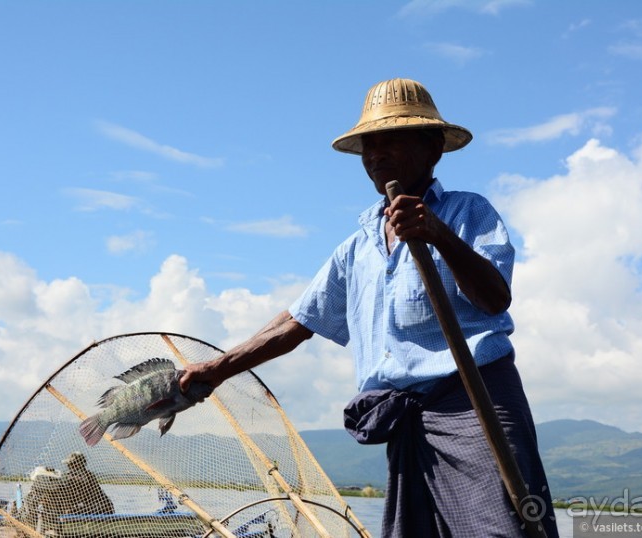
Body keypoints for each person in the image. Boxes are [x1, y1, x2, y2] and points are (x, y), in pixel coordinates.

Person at [180, 78, 558, 537]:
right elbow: (298, 321)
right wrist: (219, 368)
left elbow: (495, 298)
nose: (376, 155)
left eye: (391, 141)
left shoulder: (466, 212)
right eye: (368, 146)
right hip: (406, 421)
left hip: (474, 407)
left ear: (433, 148)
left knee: (505, 530)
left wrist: (437, 234)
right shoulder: (357, 246)